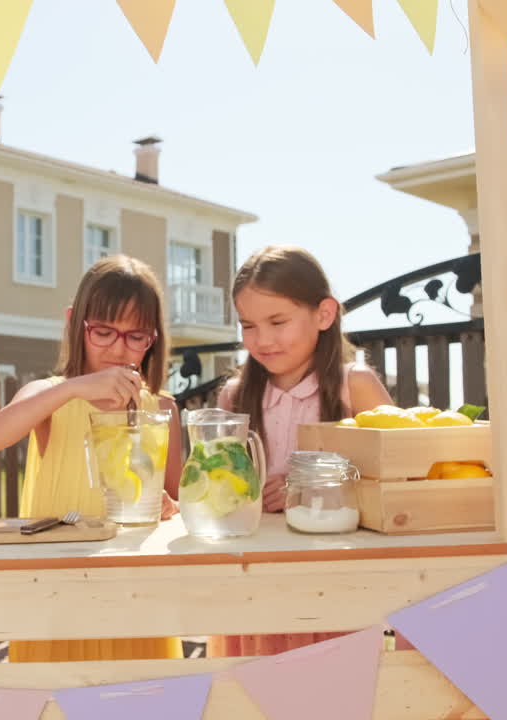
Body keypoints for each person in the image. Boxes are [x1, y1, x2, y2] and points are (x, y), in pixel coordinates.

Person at [0, 255, 183, 662]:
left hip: (135, 595)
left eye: (135, 336)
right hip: (56, 591)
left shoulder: (160, 408)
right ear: (75, 322)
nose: (117, 348)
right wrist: (73, 388)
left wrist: (171, 508)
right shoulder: (50, 394)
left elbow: (176, 503)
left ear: (153, 339)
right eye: (103, 332)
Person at [207, 245, 392, 657]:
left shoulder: (354, 385)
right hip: (252, 591)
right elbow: (221, 493)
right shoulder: (235, 398)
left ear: (324, 314)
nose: (263, 339)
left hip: (335, 590)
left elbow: (396, 480)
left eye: (278, 321)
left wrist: (308, 486)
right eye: (248, 325)